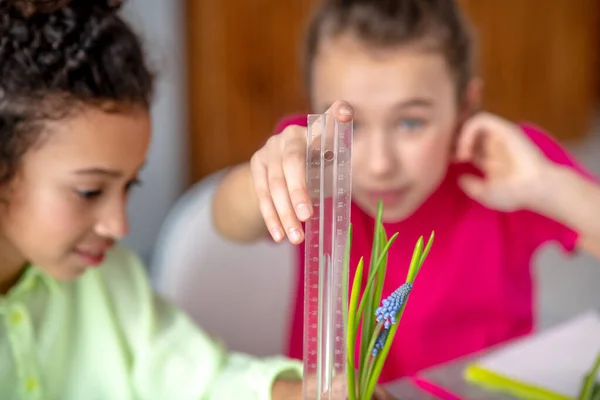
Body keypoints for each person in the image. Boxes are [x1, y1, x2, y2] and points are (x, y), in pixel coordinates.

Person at [212, 0, 600, 383]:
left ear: (465, 107)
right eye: (353, 125)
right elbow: (225, 220)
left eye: (411, 122)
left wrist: (546, 186)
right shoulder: (312, 157)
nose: (380, 164)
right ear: (315, 108)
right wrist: (266, 178)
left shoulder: (510, 163)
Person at [0, 0, 338, 398]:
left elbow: (201, 380)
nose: (118, 225)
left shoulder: (110, 280)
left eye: (129, 186)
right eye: (89, 191)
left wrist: (310, 394)